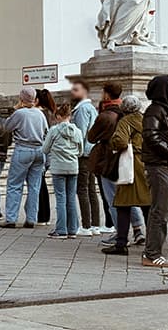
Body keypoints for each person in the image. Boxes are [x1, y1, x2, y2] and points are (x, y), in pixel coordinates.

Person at [104, 95, 151, 255]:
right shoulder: (145, 120)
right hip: (145, 164)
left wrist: (113, 143)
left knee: (123, 205)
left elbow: (121, 141)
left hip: (130, 165)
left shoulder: (125, 122)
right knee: (146, 204)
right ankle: (152, 243)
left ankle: (121, 243)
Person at [141, 74, 168, 268]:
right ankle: (152, 254)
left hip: (162, 165)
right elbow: (151, 137)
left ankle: (152, 252)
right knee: (160, 212)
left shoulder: (160, 111)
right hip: (158, 166)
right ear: (164, 89)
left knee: (160, 210)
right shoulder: (155, 111)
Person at [0, 87, 48, 229]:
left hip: (23, 149)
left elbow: (7, 127)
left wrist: (15, 109)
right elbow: (46, 132)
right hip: (39, 150)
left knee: (15, 184)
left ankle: (11, 218)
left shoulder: (20, 113)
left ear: (21, 99)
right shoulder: (40, 114)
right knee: (34, 186)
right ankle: (31, 218)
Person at [86, 82, 124, 237]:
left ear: (107, 94)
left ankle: (115, 228)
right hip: (124, 156)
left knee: (109, 194)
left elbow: (91, 137)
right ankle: (135, 228)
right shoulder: (125, 112)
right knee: (125, 195)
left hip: (106, 158)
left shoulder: (105, 115)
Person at [43, 103, 83, 239]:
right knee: (71, 198)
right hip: (73, 167)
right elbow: (80, 151)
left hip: (58, 167)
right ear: (69, 116)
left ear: (59, 116)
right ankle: (73, 229)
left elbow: (45, 149)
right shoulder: (77, 131)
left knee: (61, 198)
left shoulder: (54, 130)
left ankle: (61, 229)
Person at [71, 79, 101, 237]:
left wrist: (77, 151)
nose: (72, 92)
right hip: (92, 151)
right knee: (91, 189)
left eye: (76, 90)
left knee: (83, 188)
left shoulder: (82, 109)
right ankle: (95, 224)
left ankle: (86, 225)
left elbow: (80, 133)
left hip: (84, 153)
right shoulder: (91, 108)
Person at [36, 89, 57, 226]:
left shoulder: (41, 114)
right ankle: (44, 215)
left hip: (43, 150)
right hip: (50, 152)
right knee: (41, 183)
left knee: (39, 184)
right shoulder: (51, 113)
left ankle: (42, 215)